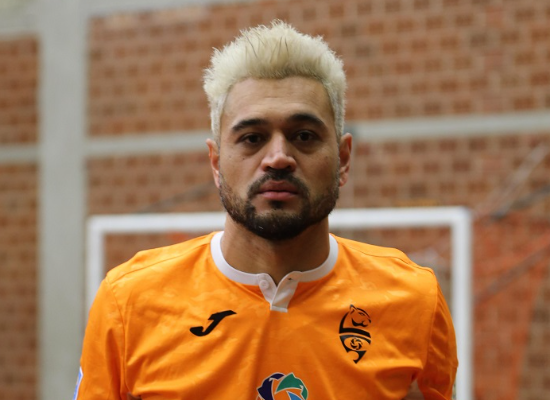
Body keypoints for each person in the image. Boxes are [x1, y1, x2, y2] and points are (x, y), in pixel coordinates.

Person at [75, 20, 458, 400]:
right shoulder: (129, 304)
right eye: (252, 138)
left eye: (303, 136)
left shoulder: (414, 301)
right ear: (215, 162)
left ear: (343, 159)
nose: (278, 158)